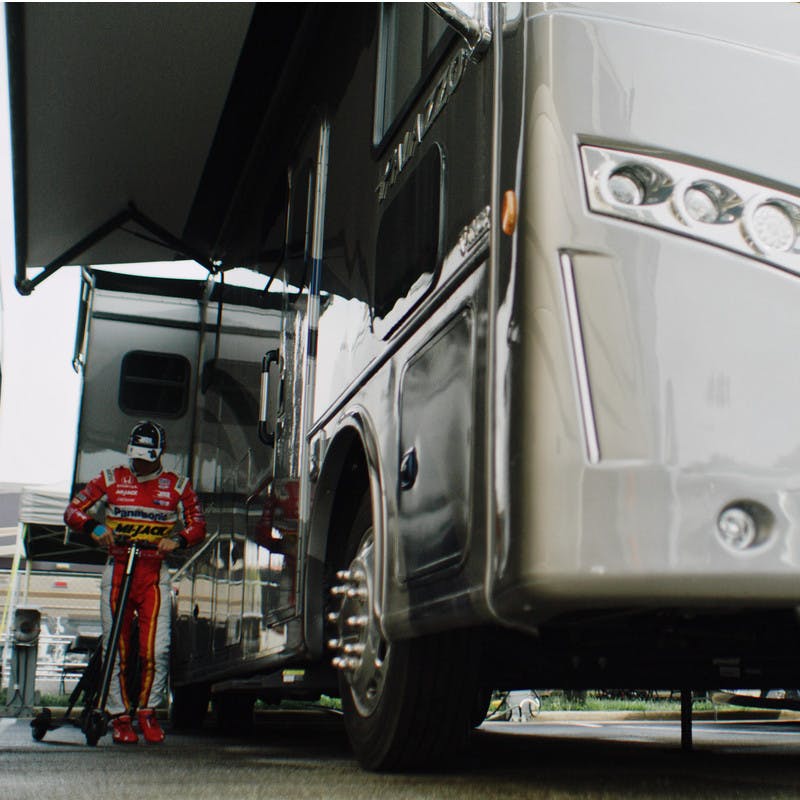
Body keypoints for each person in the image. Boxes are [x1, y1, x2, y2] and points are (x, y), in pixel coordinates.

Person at [64, 421, 206, 744]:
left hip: (154, 573)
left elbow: (198, 523)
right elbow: (72, 510)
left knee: (157, 648)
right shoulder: (111, 479)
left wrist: (180, 541)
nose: (138, 463)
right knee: (117, 649)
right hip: (116, 570)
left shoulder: (177, 485)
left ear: (159, 454)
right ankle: (119, 716)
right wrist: (93, 528)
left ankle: (148, 711)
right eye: (135, 456)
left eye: (145, 457)